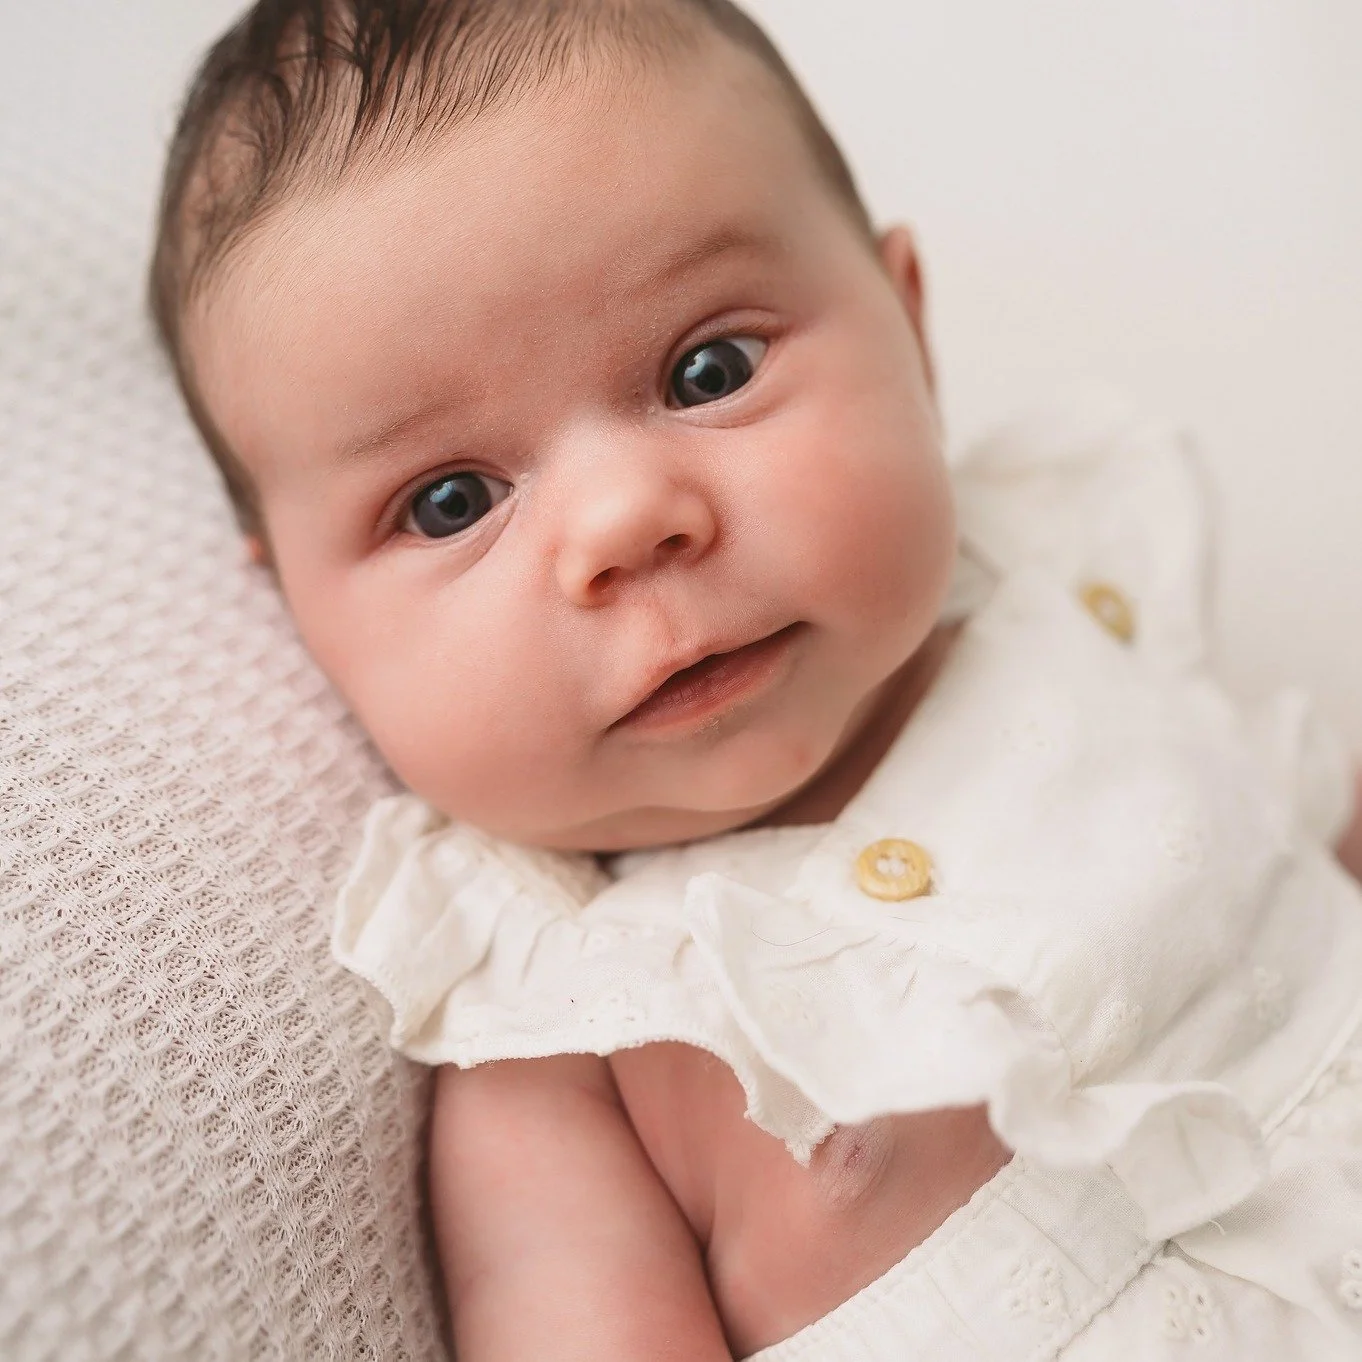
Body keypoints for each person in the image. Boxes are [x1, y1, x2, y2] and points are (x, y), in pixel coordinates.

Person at [149, 1, 1362, 1356]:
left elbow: (1306, 851)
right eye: (447, 502)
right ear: (300, 607)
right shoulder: (559, 1037)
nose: (624, 521)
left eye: (704, 368)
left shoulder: (1073, 590)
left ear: (911, 332)